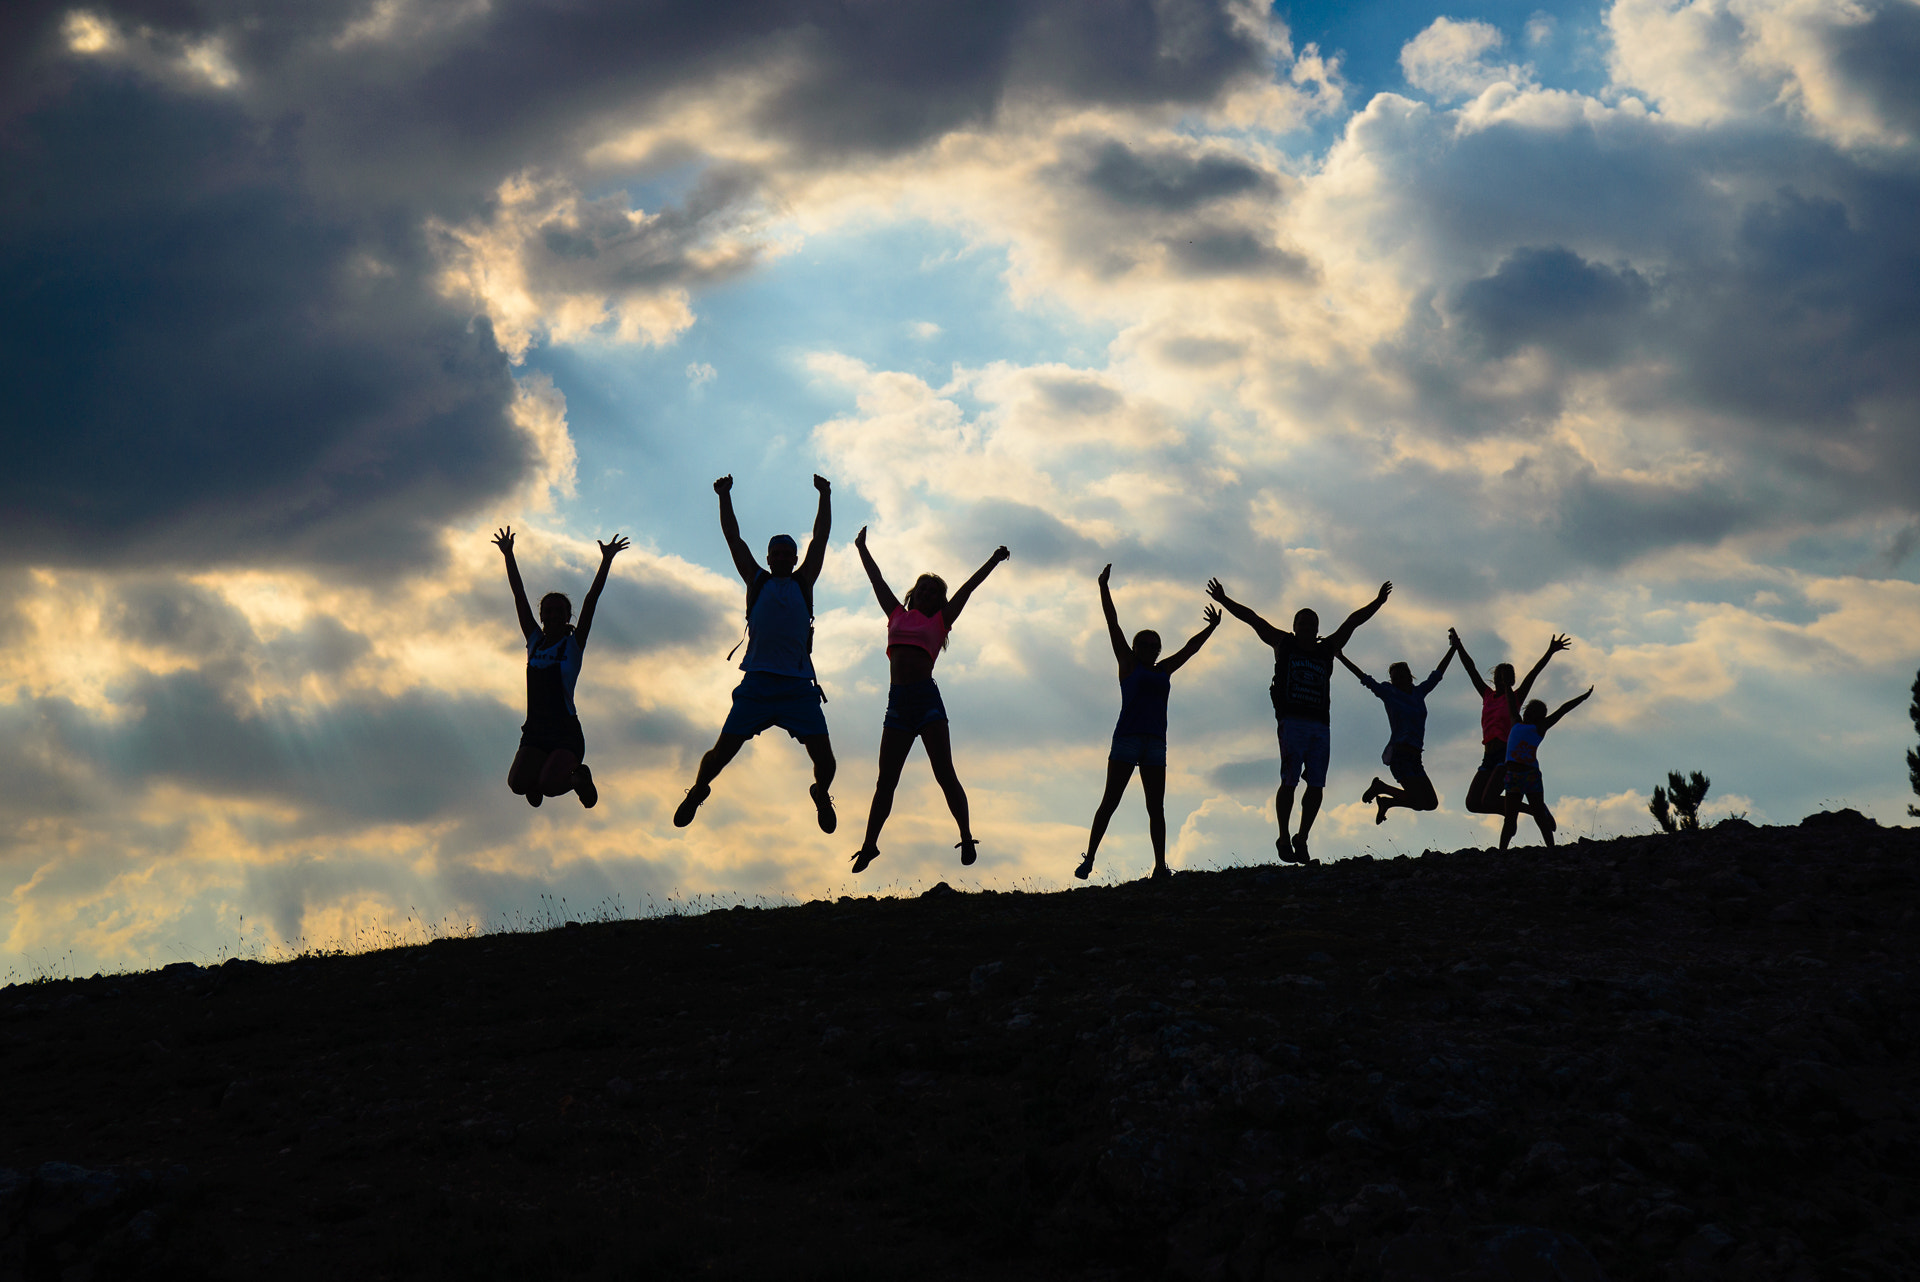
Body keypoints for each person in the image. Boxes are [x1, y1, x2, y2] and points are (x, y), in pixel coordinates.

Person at [674, 474, 838, 833]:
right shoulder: (757, 580)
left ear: (795, 559)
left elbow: (821, 537)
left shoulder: (804, 581)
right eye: (775, 553)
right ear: (768, 557)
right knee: (720, 754)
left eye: (786, 554)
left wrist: (825, 496)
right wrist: (724, 496)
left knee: (826, 762)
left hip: (797, 686)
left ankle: (821, 793)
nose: (780, 558)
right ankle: (699, 789)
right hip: (758, 684)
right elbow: (733, 538)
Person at [848, 526, 1009, 874]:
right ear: (913, 593)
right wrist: (862, 547)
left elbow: (968, 588)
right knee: (885, 781)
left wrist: (994, 561)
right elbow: (876, 580)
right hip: (897, 704)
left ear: (938, 599)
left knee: (944, 773)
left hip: (926, 701)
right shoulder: (896, 614)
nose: (927, 592)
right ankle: (869, 845)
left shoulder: (941, 621)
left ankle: (966, 836)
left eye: (934, 591)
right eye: (923, 587)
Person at [1206, 577, 1392, 863]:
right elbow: (1253, 619)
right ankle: (1283, 835)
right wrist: (1224, 599)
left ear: (1317, 628)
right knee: (1290, 782)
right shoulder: (1283, 643)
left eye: (1311, 624)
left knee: (1316, 785)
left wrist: (1378, 602)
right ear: (1294, 626)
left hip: (1320, 724)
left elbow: (1353, 621)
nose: (1306, 628)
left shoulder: (1326, 648)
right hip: (1292, 722)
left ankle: (1302, 837)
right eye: (1301, 623)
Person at [1074, 566, 1222, 882]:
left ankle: (1160, 867)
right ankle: (1090, 859)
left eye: (1156, 645)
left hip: (1155, 742)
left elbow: (1190, 649)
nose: (1153, 649)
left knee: (1156, 808)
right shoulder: (1127, 665)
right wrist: (1103, 587)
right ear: (1136, 647)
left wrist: (1211, 628)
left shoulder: (1163, 669)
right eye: (1147, 644)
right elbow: (1112, 623)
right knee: (1110, 802)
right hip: (1127, 739)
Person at [493, 526, 630, 809]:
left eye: (560, 611)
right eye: (548, 611)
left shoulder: (573, 645)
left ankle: (578, 777)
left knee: (549, 786)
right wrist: (509, 555)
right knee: (517, 784)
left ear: (568, 616)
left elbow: (591, 600)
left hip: (565, 732)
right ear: (541, 616)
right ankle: (536, 778)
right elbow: (519, 597)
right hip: (535, 731)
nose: (553, 615)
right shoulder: (534, 641)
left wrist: (606, 560)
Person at [1448, 630, 1570, 818]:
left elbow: (1534, 673)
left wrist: (1550, 652)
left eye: (1506, 677)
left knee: (1488, 800)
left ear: (1512, 680)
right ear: (1495, 678)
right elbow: (1470, 669)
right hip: (1488, 756)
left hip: (1506, 755)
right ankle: (1531, 809)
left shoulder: (1515, 697)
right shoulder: (1487, 695)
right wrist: (1458, 646)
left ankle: (1535, 810)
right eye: (1499, 676)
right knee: (1473, 804)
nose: (1502, 680)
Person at [1337, 639, 1455, 826]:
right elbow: (1364, 678)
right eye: (1396, 678)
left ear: (1410, 676)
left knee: (1430, 803)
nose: (1400, 680)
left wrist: (1453, 648)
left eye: (1403, 676)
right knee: (1418, 801)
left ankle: (1387, 801)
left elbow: (1437, 675)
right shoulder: (1388, 693)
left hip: (1416, 757)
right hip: (1400, 755)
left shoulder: (1419, 693)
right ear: (1392, 680)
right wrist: (1341, 657)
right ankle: (1381, 788)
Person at [1499, 687, 1595, 849]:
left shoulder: (1539, 727)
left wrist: (1583, 698)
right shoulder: (1516, 721)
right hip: (1515, 775)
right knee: (1510, 817)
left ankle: (1551, 848)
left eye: (1532, 712)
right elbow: (1510, 701)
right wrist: (1506, 685)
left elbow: (1563, 710)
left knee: (1538, 815)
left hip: (1529, 776)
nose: (1528, 713)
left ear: (1537, 716)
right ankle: (1502, 850)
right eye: (1528, 710)